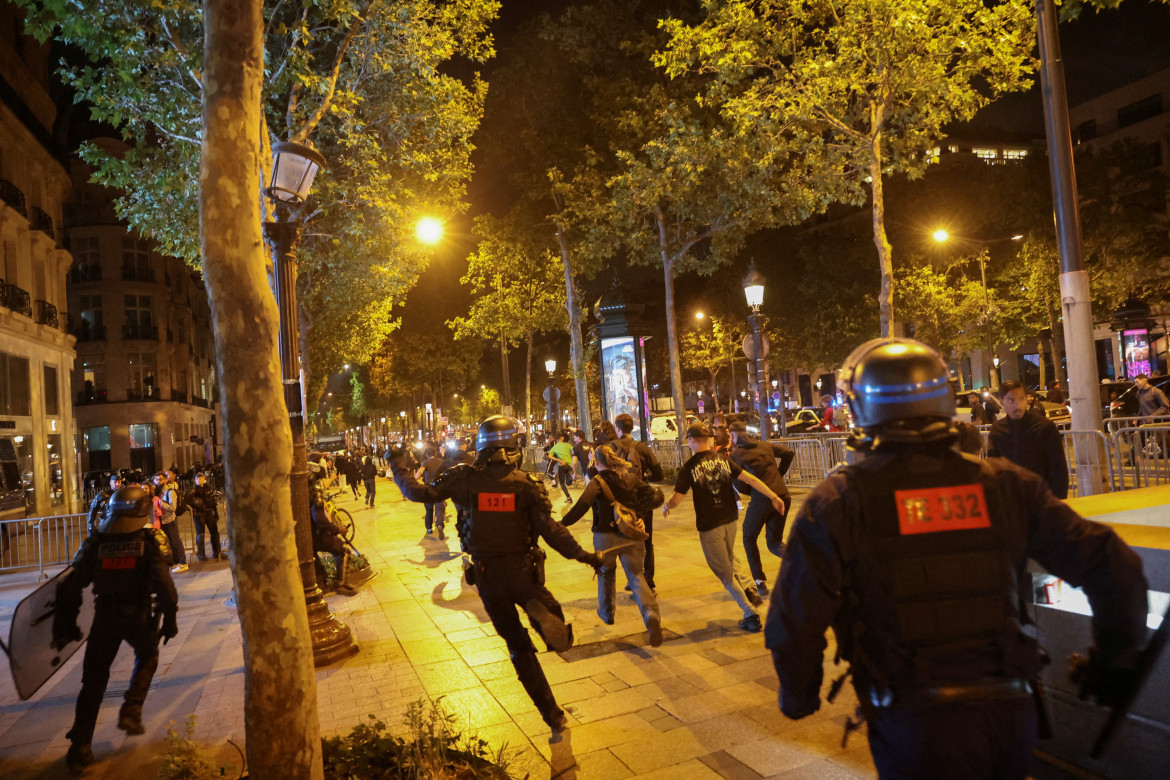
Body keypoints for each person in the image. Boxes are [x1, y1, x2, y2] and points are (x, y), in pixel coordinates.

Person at [765, 338, 1148, 779]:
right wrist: (1113, 664)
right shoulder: (1007, 486)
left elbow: (795, 619)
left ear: (861, 407)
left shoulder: (838, 502)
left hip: (914, 722)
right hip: (1010, 712)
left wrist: (798, 695)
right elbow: (1114, 566)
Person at [389, 415, 604, 732]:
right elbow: (551, 530)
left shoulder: (462, 478)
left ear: (481, 445)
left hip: (487, 576)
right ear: (514, 445)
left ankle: (552, 714)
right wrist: (586, 557)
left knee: (518, 649)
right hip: (523, 572)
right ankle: (548, 626)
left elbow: (419, 493)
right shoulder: (526, 485)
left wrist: (398, 465)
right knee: (551, 613)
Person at [52, 485, 179, 772]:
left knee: (93, 683)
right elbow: (165, 587)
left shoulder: (97, 542)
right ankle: (132, 710)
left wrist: (66, 624)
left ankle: (79, 747)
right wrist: (170, 620)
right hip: (137, 616)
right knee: (148, 656)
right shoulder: (152, 538)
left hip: (104, 618)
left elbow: (70, 585)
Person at [661, 422, 787, 632]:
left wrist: (667, 506)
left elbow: (677, 498)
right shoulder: (723, 459)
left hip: (710, 525)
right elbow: (751, 479)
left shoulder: (690, 467)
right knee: (729, 558)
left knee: (723, 571)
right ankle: (749, 587)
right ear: (708, 439)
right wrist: (773, 496)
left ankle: (750, 614)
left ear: (692, 441)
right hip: (730, 519)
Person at [561, 442, 662, 644]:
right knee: (636, 576)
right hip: (631, 535)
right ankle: (651, 615)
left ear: (596, 462)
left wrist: (560, 524)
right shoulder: (630, 478)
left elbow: (581, 506)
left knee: (605, 574)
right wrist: (639, 515)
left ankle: (607, 613)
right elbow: (655, 495)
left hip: (605, 536)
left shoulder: (597, 482)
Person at [728, 420, 795, 597]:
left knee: (748, 536)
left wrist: (751, 491)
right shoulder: (765, 445)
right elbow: (789, 452)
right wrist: (779, 474)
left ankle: (759, 581)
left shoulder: (736, 454)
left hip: (763, 498)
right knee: (774, 542)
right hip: (783, 495)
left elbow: (737, 482)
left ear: (734, 436)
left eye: (730, 436)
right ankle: (801, 560)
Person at [988, 380, 1070, 499]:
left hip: (1042, 499)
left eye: (1022, 399)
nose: (1018, 405)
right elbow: (994, 469)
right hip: (1012, 501)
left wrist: (1057, 501)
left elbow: (1059, 469)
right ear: (1002, 402)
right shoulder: (997, 430)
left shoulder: (1044, 427)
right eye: (1011, 400)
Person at [613, 413, 664, 589]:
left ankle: (632, 577)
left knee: (625, 539)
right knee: (646, 539)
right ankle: (648, 579)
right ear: (632, 428)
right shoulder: (641, 448)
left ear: (617, 428)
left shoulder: (611, 447)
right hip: (642, 500)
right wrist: (643, 478)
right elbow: (659, 474)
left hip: (621, 503)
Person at [185, 472, 224, 561]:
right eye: (197, 479)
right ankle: (201, 554)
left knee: (214, 532)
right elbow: (187, 501)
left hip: (209, 512)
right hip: (199, 514)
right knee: (201, 534)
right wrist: (194, 508)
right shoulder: (193, 490)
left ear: (204, 478)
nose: (199, 480)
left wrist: (215, 511)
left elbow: (212, 501)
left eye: (200, 478)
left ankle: (217, 552)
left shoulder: (208, 488)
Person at [157, 472, 187, 573]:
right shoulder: (158, 492)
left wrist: (162, 503)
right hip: (162, 521)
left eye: (160, 479)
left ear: (165, 480)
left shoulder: (170, 492)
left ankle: (183, 563)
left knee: (176, 541)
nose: (158, 481)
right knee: (169, 542)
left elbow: (173, 507)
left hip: (170, 520)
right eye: (156, 479)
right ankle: (176, 561)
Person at [417, 445, 448, 536]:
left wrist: (413, 480)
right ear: (435, 453)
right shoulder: (441, 461)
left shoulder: (425, 462)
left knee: (429, 509)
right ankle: (439, 525)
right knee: (439, 508)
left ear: (426, 454)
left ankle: (429, 528)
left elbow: (419, 474)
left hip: (429, 488)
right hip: (440, 487)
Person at [547, 431, 575, 505]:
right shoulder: (568, 445)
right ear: (562, 438)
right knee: (568, 480)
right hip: (570, 465)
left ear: (556, 439)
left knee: (562, 484)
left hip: (562, 466)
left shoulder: (554, 447)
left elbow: (549, 456)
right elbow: (573, 452)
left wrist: (558, 460)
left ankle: (569, 498)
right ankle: (569, 475)